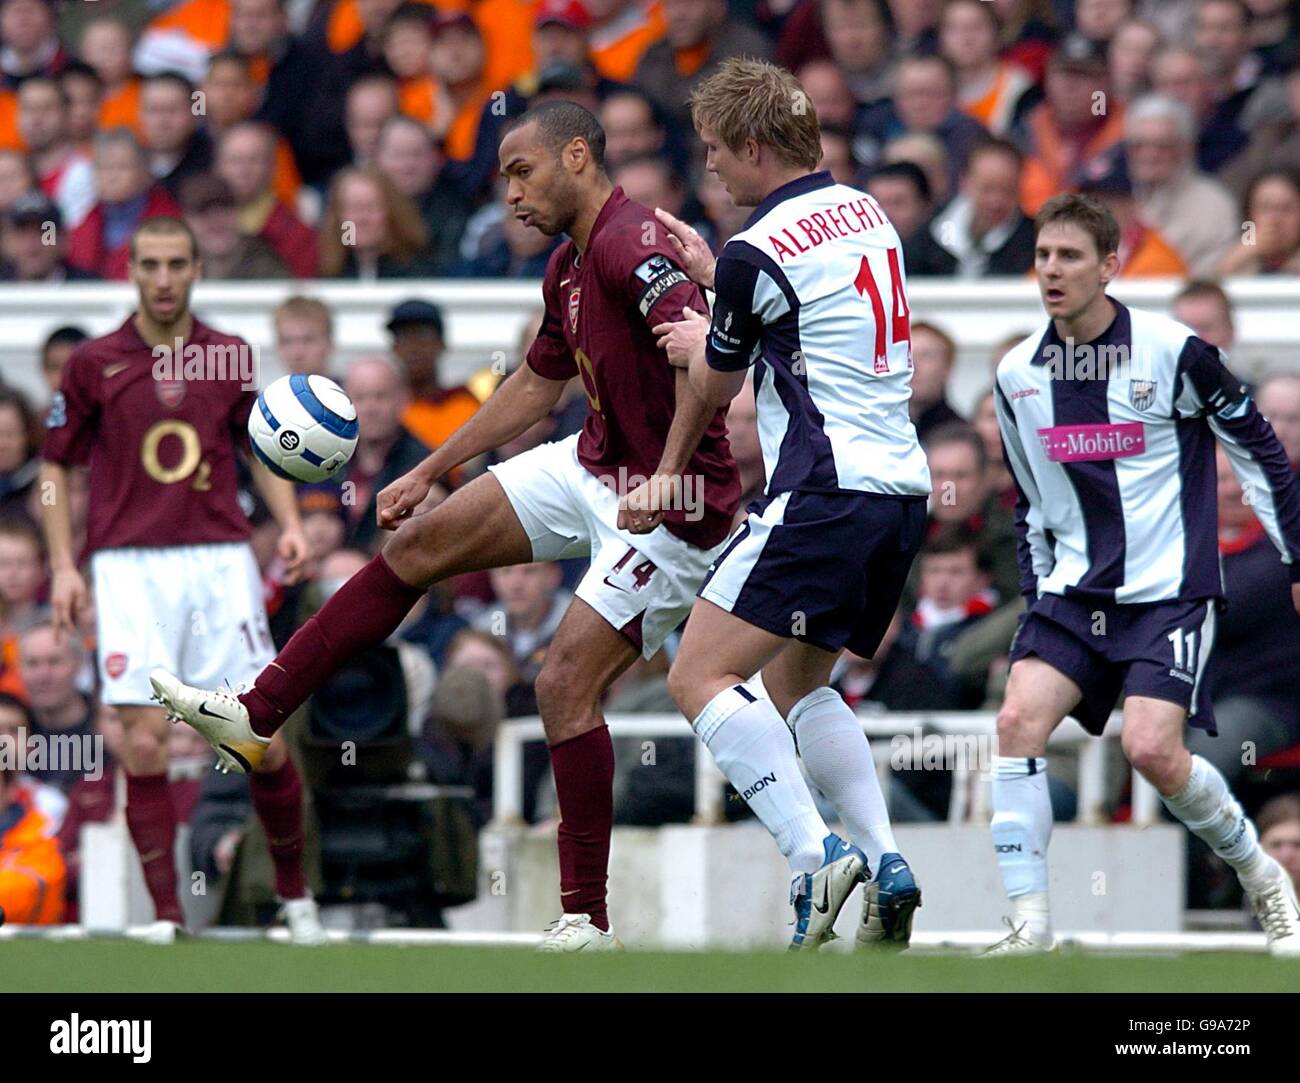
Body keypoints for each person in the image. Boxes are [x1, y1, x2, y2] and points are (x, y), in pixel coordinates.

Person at [150, 101, 741, 953]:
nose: (509, 194)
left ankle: (588, 919)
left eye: (522, 171)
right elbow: (537, 387)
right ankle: (256, 711)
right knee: (417, 544)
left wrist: (670, 469)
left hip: (675, 509)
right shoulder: (569, 265)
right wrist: (429, 469)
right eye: (505, 176)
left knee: (561, 685)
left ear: (578, 156)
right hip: (595, 462)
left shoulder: (632, 244)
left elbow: (702, 362)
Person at [652, 57, 929, 951]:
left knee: (698, 674)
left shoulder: (753, 251)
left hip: (823, 490)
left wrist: (703, 325)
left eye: (718, 154)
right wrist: (724, 286)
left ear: (756, 146)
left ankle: (812, 852)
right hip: (900, 491)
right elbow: (807, 318)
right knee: (798, 681)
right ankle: (887, 863)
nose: (713, 172)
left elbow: (717, 385)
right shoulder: (865, 208)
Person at [988, 192, 1300, 955]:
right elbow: (1030, 503)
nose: (1052, 270)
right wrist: (1039, 600)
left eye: (1069, 256)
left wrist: (1296, 556)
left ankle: (1267, 881)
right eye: (1042, 256)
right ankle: (1030, 926)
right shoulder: (1017, 374)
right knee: (1015, 722)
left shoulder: (1172, 350)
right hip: (1073, 595)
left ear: (1110, 265)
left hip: (1169, 595)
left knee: (1152, 750)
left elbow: (1259, 449)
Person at [40, 216, 325, 945]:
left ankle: (294, 896)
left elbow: (262, 446)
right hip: (128, 566)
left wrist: (288, 519)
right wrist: (66, 564)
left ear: (197, 267)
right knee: (142, 742)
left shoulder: (227, 356)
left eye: (176, 264)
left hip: (218, 561)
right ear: (130, 270)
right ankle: (167, 913)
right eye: (150, 265)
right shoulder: (93, 362)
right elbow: (55, 464)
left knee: (257, 733)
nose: (163, 279)